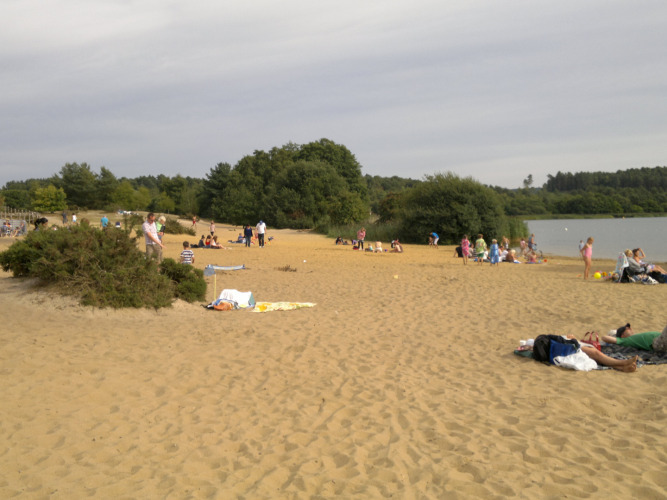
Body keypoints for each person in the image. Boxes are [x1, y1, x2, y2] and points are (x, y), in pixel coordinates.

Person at [601, 323, 667, 353]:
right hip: (659, 343)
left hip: (661, 340)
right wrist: (614, 336)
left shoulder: (634, 337)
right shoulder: (625, 340)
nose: (630, 328)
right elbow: (604, 338)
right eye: (627, 329)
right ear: (622, 335)